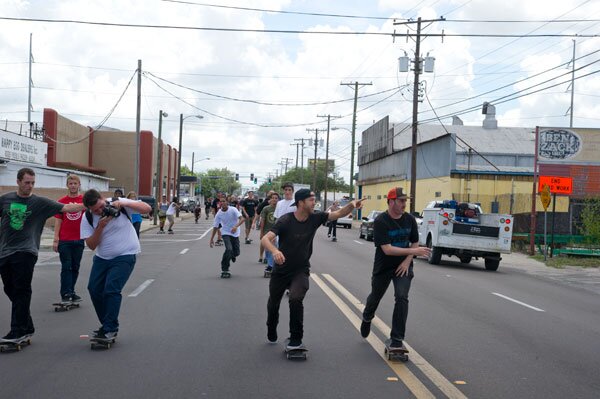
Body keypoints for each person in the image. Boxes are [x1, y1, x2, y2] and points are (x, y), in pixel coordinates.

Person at [261, 188, 365, 350]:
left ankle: (296, 338)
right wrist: (275, 251)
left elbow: (337, 214)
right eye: (311, 199)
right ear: (301, 202)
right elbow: (265, 239)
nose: (313, 202)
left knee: (296, 299)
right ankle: (271, 326)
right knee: (274, 303)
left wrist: (351, 205)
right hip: (281, 270)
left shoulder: (315, 218)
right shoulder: (286, 220)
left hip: (300, 270)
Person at [0, 168, 85, 343]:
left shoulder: (40, 202)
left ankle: (18, 331)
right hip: (5, 251)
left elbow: (68, 207)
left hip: (26, 251)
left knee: (21, 289)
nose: (30, 186)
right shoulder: (6, 199)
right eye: (26, 182)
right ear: (18, 182)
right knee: (10, 289)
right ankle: (27, 325)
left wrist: (89, 204)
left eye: (32, 183)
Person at [359, 187, 431, 350]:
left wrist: (407, 261)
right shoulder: (381, 221)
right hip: (384, 266)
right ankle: (367, 316)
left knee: (401, 296)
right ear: (391, 201)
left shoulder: (410, 219)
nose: (404, 204)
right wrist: (414, 251)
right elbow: (387, 249)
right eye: (401, 200)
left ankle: (397, 339)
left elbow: (414, 242)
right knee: (375, 297)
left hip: (403, 266)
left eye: (405, 201)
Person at [80, 189, 151, 341]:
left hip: (125, 254)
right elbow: (91, 245)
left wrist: (123, 202)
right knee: (94, 289)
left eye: (101, 206)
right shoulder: (87, 217)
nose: (100, 211)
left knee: (111, 289)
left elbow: (147, 209)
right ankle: (107, 325)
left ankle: (110, 328)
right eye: (96, 210)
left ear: (102, 198)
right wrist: (100, 227)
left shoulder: (119, 205)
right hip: (102, 257)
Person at [53, 174, 85, 303]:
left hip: (79, 239)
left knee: (75, 267)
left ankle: (71, 291)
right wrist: (56, 239)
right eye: (70, 183)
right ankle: (65, 293)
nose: (73, 186)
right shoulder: (62, 201)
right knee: (66, 267)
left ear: (79, 185)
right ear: (67, 185)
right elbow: (58, 221)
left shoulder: (84, 201)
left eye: (75, 183)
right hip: (65, 240)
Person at [209, 198, 245, 277]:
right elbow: (215, 227)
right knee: (228, 249)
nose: (222, 203)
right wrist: (211, 239)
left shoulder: (233, 209)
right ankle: (225, 268)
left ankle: (232, 255)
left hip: (235, 232)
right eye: (221, 202)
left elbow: (242, 219)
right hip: (225, 232)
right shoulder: (219, 214)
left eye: (224, 201)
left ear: (227, 202)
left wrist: (236, 226)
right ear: (220, 204)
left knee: (236, 252)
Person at [260, 192, 279, 274]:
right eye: (273, 198)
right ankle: (269, 262)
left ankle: (271, 266)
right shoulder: (266, 208)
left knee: (274, 247)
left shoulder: (279, 208)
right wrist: (261, 232)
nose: (274, 199)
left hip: (276, 231)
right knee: (267, 249)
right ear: (270, 199)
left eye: (276, 198)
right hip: (267, 231)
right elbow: (263, 221)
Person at [256, 190, 275, 263]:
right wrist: (261, 230)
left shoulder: (279, 205)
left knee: (272, 243)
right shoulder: (265, 204)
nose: (274, 199)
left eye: (275, 197)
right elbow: (258, 211)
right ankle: (261, 256)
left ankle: (268, 257)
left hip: (274, 227)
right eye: (271, 196)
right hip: (266, 227)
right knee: (263, 242)